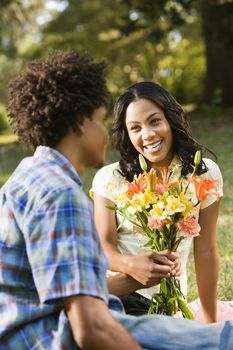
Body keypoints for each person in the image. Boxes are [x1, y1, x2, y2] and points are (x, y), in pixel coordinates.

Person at [1, 51, 233, 350]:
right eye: (100, 120)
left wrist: (137, 277)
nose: (107, 133)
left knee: (211, 336)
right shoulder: (60, 195)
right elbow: (91, 329)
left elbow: (66, 290)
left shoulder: (28, 176)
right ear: (80, 123)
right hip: (50, 337)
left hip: (50, 324)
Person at [92, 81, 224, 323]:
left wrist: (210, 321)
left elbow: (206, 250)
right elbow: (104, 249)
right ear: (127, 134)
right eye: (135, 128)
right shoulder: (111, 179)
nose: (148, 135)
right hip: (120, 294)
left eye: (154, 121)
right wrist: (133, 266)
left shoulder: (202, 174)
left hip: (171, 300)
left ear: (170, 120)